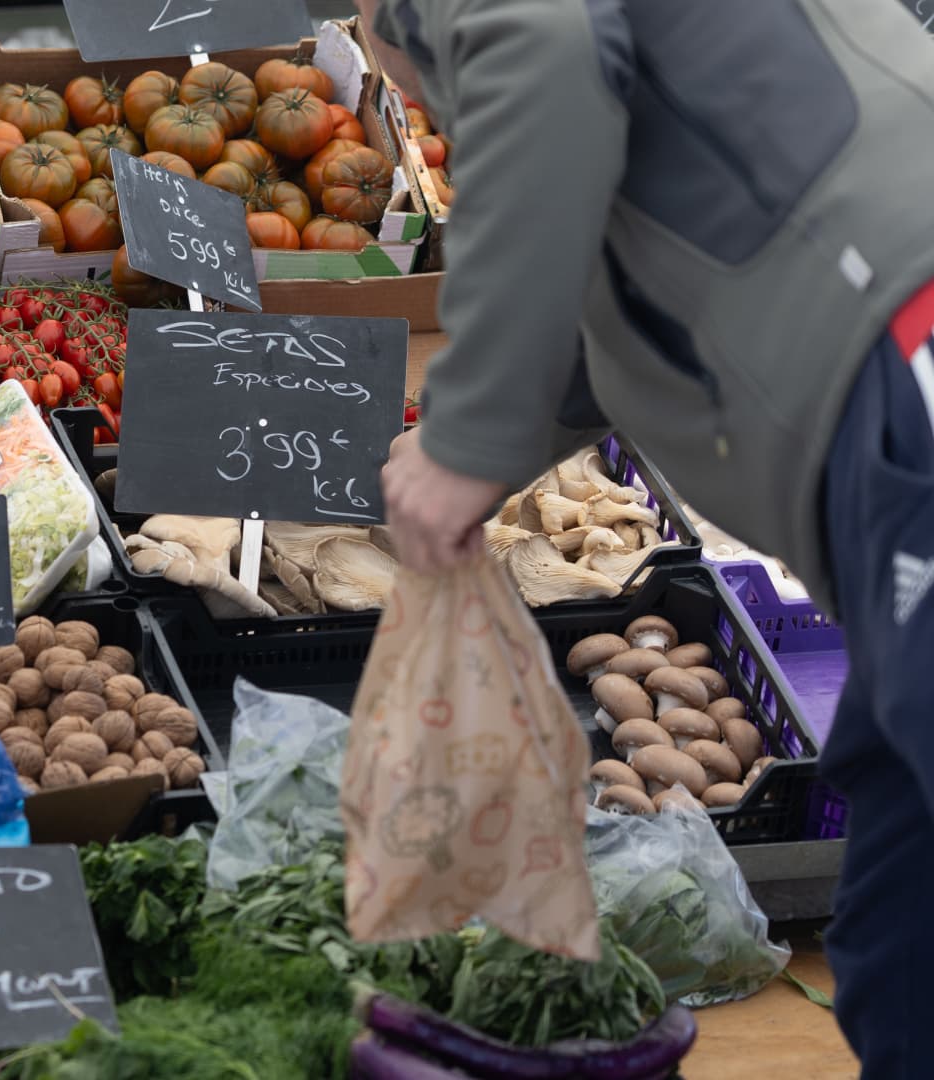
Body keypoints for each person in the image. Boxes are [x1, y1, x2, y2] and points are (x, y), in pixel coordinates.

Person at [354, 0, 934, 1071]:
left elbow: (543, 45)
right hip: (883, 388)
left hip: (905, 352)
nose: (446, 125)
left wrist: (472, 430)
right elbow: (617, 274)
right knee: (900, 914)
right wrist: (482, 444)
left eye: (438, 97)